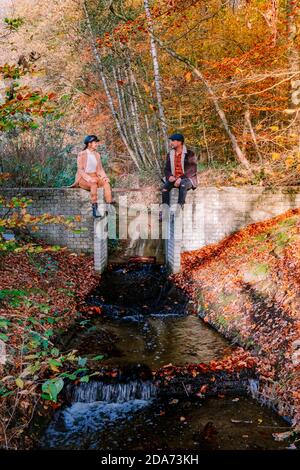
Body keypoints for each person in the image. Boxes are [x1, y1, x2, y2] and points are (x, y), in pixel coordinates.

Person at [70, 135, 114, 218]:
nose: (97, 144)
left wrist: (104, 177)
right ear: (89, 144)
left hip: (95, 176)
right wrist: (89, 179)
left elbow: (100, 169)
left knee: (106, 184)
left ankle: (109, 207)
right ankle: (95, 209)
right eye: (95, 142)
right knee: (93, 184)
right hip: (83, 178)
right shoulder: (81, 154)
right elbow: (80, 170)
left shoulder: (97, 155)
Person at [160, 133, 198, 218]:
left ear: (180, 142)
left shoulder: (189, 154)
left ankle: (179, 208)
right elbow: (166, 169)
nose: (171, 143)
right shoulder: (170, 154)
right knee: (164, 188)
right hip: (174, 179)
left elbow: (192, 170)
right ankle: (165, 211)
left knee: (183, 185)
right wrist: (169, 176)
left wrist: (180, 179)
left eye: (173, 141)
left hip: (187, 179)